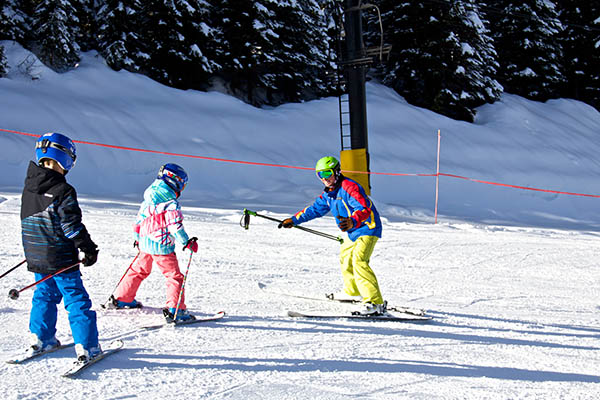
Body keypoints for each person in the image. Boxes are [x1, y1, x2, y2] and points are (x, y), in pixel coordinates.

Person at [21, 132, 100, 362]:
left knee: (44, 295)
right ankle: (88, 347)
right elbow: (71, 226)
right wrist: (88, 248)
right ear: (65, 158)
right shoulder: (63, 191)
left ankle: (41, 338)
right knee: (76, 299)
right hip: (61, 257)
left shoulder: (29, 187)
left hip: (37, 255)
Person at [279, 156, 385, 315]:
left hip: (368, 227)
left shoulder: (349, 187)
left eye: (328, 173)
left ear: (337, 171)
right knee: (345, 258)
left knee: (359, 260)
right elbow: (314, 210)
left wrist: (352, 221)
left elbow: (364, 207)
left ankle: (375, 302)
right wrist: (294, 220)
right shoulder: (329, 195)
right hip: (352, 231)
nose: (325, 179)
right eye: (320, 175)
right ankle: (352, 291)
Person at [107, 163, 198, 322]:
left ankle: (122, 297)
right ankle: (175, 309)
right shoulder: (170, 203)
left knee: (138, 270)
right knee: (174, 276)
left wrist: (138, 238)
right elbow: (175, 226)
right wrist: (187, 241)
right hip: (162, 246)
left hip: (145, 243)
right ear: (175, 182)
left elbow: (139, 222)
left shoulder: (148, 199)